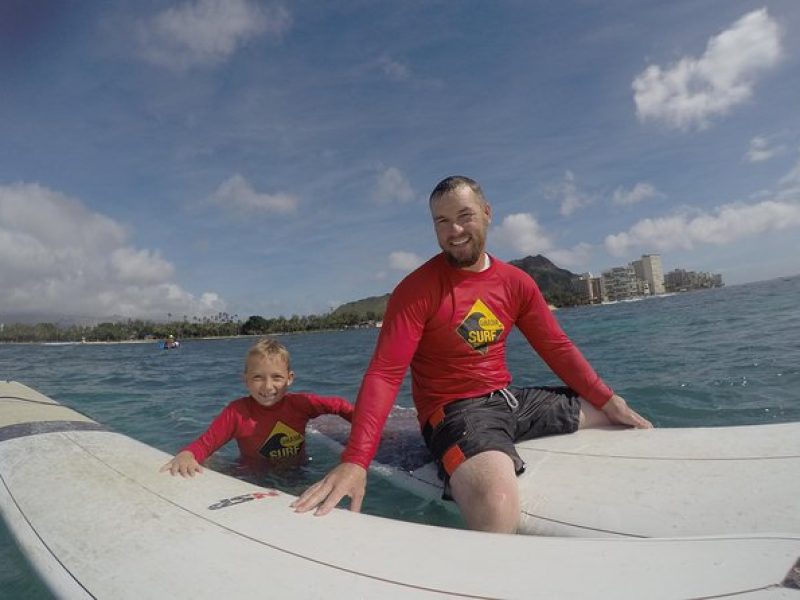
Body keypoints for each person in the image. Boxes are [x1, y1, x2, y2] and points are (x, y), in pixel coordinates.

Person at [292, 175, 653, 533]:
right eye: (442, 221)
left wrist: (608, 399)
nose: (455, 230)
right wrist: (356, 460)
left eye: (464, 216)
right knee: (497, 504)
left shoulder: (516, 282)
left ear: (487, 212)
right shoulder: (417, 290)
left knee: (607, 415)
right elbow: (385, 374)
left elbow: (557, 347)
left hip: (510, 402)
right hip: (454, 414)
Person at [160, 337, 354, 477]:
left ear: (290, 379)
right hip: (252, 476)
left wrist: (369, 428)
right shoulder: (237, 412)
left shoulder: (301, 404)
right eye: (258, 377)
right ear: (246, 380)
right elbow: (206, 443)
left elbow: (340, 406)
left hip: (299, 471)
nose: (268, 387)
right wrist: (187, 454)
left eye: (276, 377)